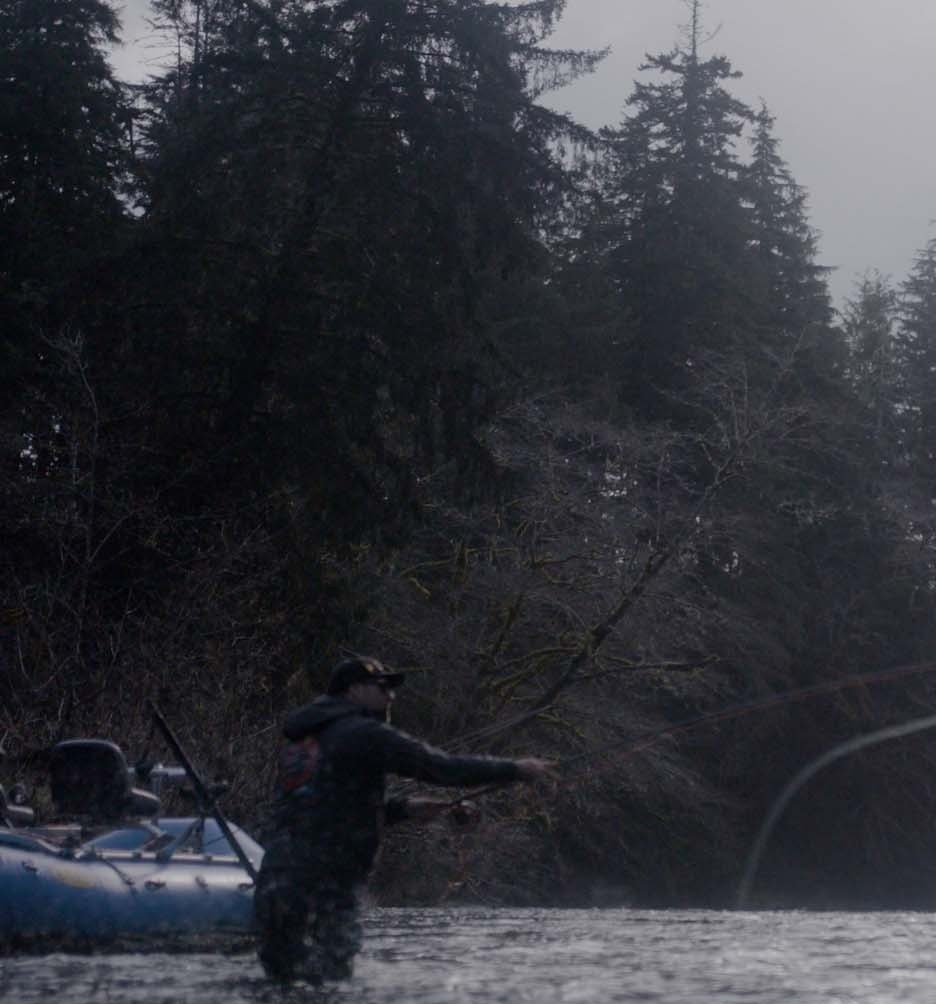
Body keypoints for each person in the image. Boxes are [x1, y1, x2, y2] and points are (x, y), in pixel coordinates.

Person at [254, 655, 555, 983]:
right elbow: (441, 767)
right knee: (333, 980)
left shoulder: (302, 739)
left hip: (277, 877)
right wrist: (515, 770)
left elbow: (324, 809)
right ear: (353, 690)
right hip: (330, 880)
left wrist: (404, 809)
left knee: (280, 981)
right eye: (382, 687)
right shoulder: (364, 733)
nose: (391, 696)